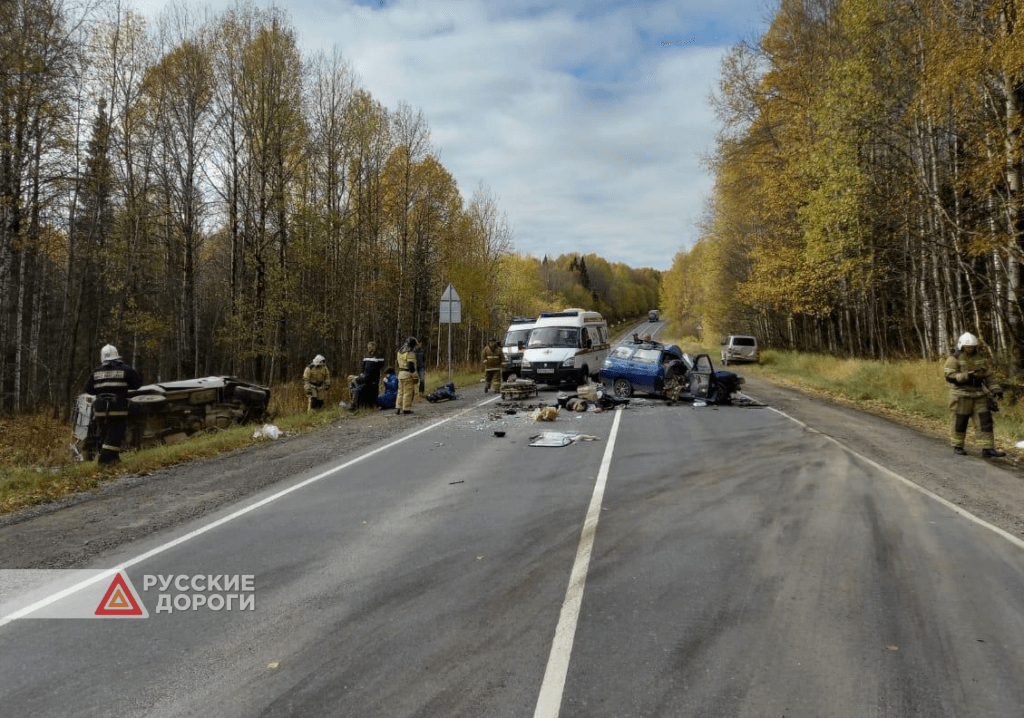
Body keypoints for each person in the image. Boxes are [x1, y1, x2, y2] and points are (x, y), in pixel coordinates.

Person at [944, 332, 1005, 458]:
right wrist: (966, 376)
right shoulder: (954, 358)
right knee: (960, 421)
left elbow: (989, 376)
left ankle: (988, 448)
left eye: (972, 346)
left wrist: (996, 390)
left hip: (979, 395)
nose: (970, 349)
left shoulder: (980, 357)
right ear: (962, 346)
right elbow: (949, 376)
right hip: (961, 395)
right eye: (967, 347)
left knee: (985, 421)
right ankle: (958, 445)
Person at [84, 344, 143, 465]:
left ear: (102, 357)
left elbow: (88, 389)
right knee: (116, 435)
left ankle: (114, 460)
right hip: (118, 409)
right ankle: (104, 460)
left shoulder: (96, 372)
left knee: (104, 434)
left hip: (100, 410)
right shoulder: (126, 369)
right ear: (117, 356)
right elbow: (137, 384)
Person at [354, 341, 384, 410]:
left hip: (374, 377)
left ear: (374, 347)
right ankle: (365, 405)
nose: (369, 348)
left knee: (374, 390)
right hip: (366, 376)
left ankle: (374, 405)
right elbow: (363, 365)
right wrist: (362, 373)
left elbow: (380, 366)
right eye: (368, 347)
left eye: (370, 347)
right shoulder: (366, 355)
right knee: (365, 389)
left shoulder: (379, 355)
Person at [396, 337, 418, 415]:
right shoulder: (410, 353)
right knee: (407, 392)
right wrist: (415, 376)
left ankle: (398, 407)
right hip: (407, 374)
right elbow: (411, 366)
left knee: (400, 392)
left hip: (400, 373)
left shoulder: (399, 352)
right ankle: (406, 408)